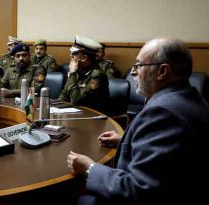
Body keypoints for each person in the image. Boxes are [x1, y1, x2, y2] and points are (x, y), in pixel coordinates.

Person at [67, 37, 209, 205]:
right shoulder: (188, 97)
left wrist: (89, 168)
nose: (133, 72)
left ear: (163, 71)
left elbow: (140, 190)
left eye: (139, 65)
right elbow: (171, 154)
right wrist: (128, 140)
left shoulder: (163, 112)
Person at [58, 35, 109, 113]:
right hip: (76, 114)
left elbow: (76, 102)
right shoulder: (78, 70)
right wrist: (56, 108)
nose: (70, 55)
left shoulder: (97, 76)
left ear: (84, 58)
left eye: (74, 54)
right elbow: (64, 95)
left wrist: (72, 73)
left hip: (92, 118)